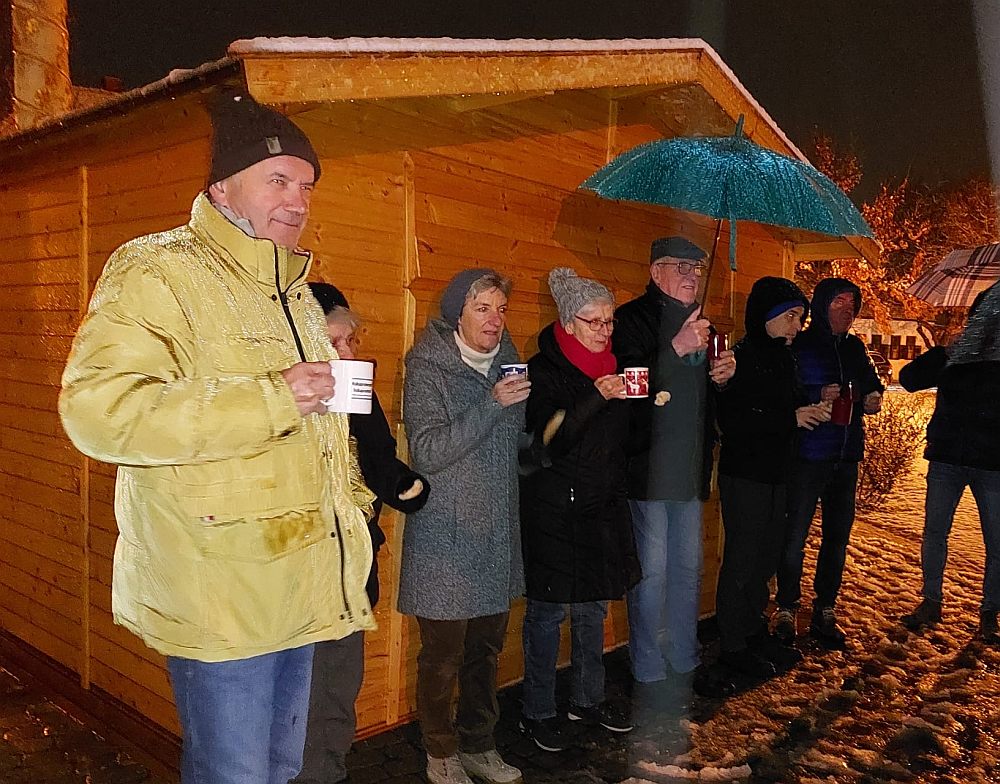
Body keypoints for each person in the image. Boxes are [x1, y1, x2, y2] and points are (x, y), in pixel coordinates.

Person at [59, 91, 376, 784]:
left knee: (282, 767)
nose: (297, 200)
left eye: (307, 186)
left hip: (300, 583)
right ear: (221, 188)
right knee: (235, 774)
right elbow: (98, 410)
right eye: (278, 179)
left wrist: (350, 502)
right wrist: (273, 395)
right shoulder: (158, 269)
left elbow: (307, 429)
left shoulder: (295, 292)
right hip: (221, 590)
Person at [294, 282, 430, 784]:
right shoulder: (283, 403)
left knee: (339, 685)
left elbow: (378, 458)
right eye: (335, 343)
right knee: (299, 693)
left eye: (351, 341)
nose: (348, 353)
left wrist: (404, 486)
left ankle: (329, 773)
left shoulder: (357, 394)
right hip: (298, 569)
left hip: (352, 566)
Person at [399, 269, 530, 784]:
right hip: (445, 541)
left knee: (485, 653)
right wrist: (491, 404)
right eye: (482, 308)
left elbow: (517, 448)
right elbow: (428, 451)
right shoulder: (427, 369)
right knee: (442, 658)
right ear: (458, 314)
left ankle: (479, 745)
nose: (495, 320)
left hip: (495, 536)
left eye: (501, 309)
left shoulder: (510, 364)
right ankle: (440, 752)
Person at [518, 268, 641, 752]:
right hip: (553, 510)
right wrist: (597, 396)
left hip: (600, 509)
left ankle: (588, 699)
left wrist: (652, 404)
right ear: (568, 323)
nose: (605, 330)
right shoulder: (543, 370)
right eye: (595, 321)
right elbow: (548, 442)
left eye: (610, 321)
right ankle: (538, 710)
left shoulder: (618, 368)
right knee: (547, 616)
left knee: (593, 610)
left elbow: (625, 443)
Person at [612, 236, 736, 692]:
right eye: (681, 266)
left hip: (689, 467)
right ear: (655, 271)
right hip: (647, 468)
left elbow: (709, 405)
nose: (692, 276)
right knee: (652, 574)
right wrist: (677, 348)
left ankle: (685, 658)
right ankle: (646, 665)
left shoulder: (704, 326)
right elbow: (630, 387)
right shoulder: (630, 320)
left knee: (688, 570)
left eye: (697, 268)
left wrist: (723, 380)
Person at [714, 277, 828, 679]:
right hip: (746, 474)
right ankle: (732, 645)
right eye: (791, 317)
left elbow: (784, 407)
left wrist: (815, 406)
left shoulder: (784, 357)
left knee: (766, 559)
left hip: (778, 473)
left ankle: (753, 630)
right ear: (766, 316)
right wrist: (790, 418)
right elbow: (735, 422)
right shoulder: (738, 358)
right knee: (742, 561)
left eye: (801, 318)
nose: (798, 326)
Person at [774, 278, 884, 649]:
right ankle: (786, 607)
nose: (847, 311)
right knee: (795, 536)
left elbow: (871, 384)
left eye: (852, 304)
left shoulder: (855, 347)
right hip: (808, 454)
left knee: (837, 538)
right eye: (839, 302)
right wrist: (816, 392)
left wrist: (873, 397)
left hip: (846, 454)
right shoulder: (801, 344)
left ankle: (825, 607)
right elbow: (784, 391)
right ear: (822, 305)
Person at [898, 284, 1000, 643]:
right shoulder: (955, 354)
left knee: (996, 542)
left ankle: (990, 612)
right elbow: (908, 380)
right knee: (935, 532)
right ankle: (931, 601)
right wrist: (946, 352)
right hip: (946, 459)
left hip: (992, 463)